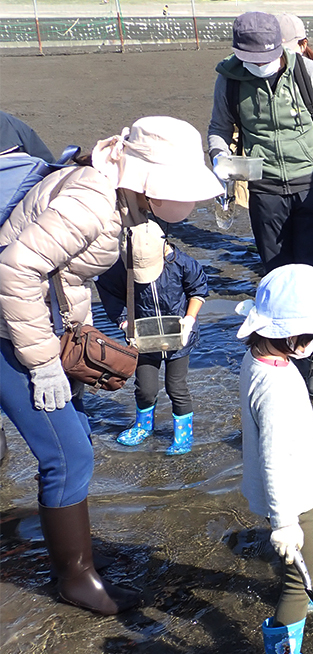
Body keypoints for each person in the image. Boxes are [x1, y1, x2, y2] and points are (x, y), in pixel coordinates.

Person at [0, 116, 222, 615]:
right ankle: (75, 578)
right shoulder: (93, 203)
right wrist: (43, 364)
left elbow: (69, 272)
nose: (194, 202)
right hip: (9, 325)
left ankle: (71, 557)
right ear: (152, 184)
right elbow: (16, 268)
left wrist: (76, 339)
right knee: (68, 454)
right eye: (187, 189)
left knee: (74, 429)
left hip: (36, 320)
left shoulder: (122, 201)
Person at [208, 11, 313, 399]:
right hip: (264, 188)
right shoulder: (229, 79)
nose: (260, 67)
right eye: (252, 61)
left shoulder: (308, 74)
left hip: (312, 185)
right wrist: (220, 159)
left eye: (267, 60)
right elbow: (218, 130)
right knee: (276, 269)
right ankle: (282, 349)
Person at [236, 264, 313, 654]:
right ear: (290, 336)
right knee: (293, 581)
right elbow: (271, 457)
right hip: (289, 493)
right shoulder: (274, 386)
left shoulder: (261, 355)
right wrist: (283, 523)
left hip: (305, 480)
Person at [96, 221, 208, 455]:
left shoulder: (180, 262)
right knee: (145, 388)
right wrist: (125, 323)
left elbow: (198, 288)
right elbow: (111, 298)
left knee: (176, 387)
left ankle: (183, 434)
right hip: (144, 337)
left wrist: (189, 319)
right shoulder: (118, 269)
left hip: (179, 337)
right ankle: (143, 425)